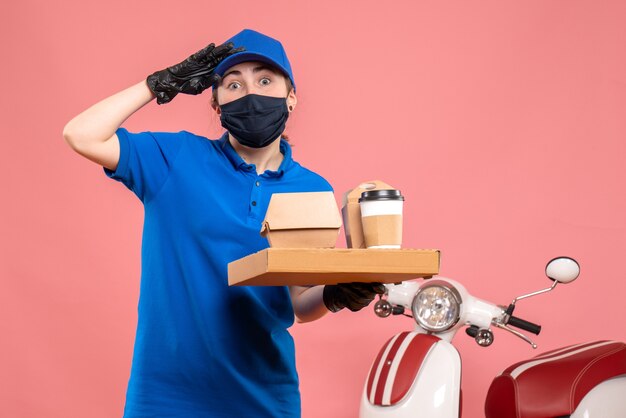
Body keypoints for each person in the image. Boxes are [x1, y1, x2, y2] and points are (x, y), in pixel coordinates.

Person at [63, 28, 385, 417]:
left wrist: (336, 295)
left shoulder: (312, 189)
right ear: (216, 104)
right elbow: (81, 135)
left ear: (291, 97)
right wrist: (158, 84)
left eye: (265, 80)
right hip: (166, 397)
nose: (250, 93)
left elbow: (301, 301)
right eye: (234, 84)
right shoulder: (174, 158)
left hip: (264, 397)